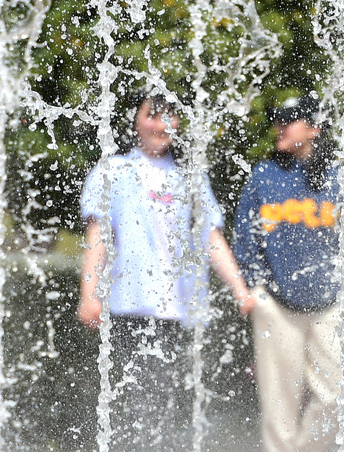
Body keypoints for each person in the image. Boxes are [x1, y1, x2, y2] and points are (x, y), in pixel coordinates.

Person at [77, 92, 254, 451]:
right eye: (152, 116)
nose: (161, 125)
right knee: (137, 404)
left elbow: (211, 236)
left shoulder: (188, 177)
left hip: (176, 310)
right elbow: (97, 235)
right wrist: (89, 293)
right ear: (136, 123)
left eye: (169, 117)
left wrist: (239, 288)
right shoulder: (114, 171)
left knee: (163, 406)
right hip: (130, 306)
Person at [233, 95, 344, 452]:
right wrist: (255, 288)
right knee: (279, 408)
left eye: (288, 120)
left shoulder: (338, 178)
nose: (280, 127)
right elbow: (245, 236)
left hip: (332, 305)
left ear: (313, 128)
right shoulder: (264, 176)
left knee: (340, 395)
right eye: (278, 119)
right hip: (276, 303)